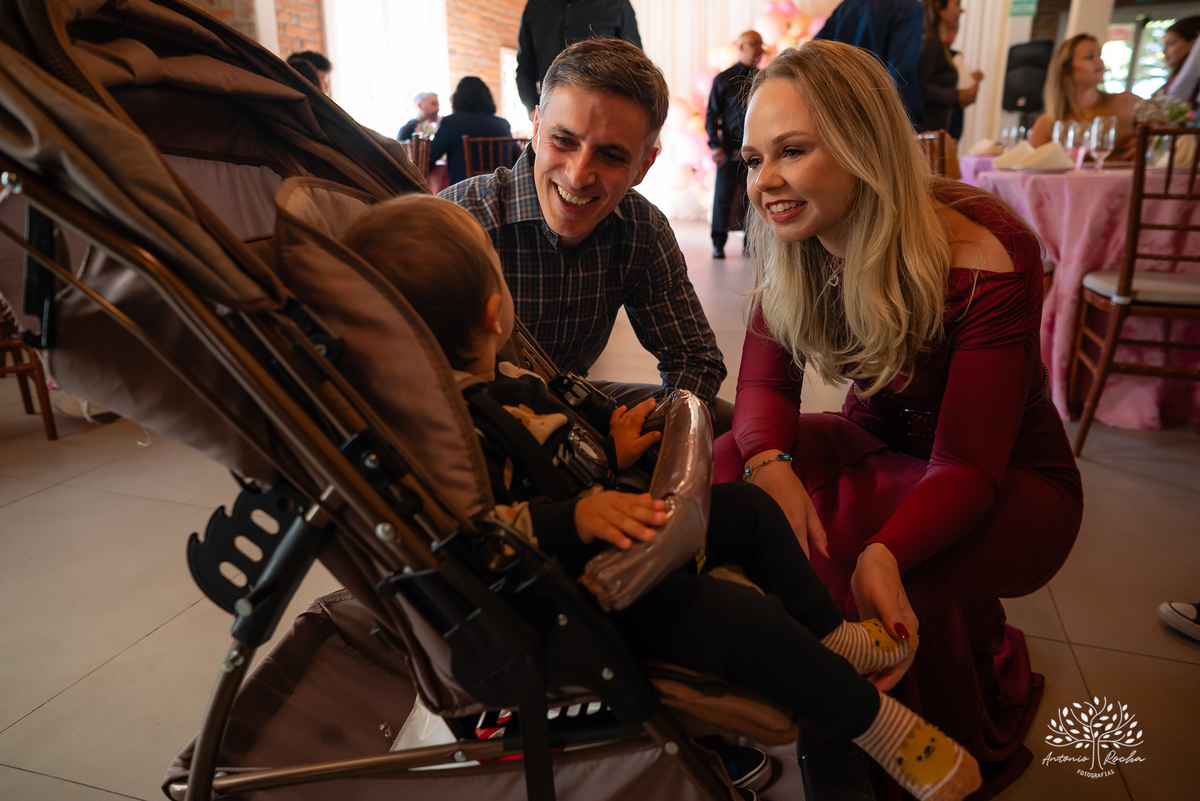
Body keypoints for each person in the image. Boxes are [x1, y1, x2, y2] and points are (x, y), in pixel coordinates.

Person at [341, 191, 984, 801]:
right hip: (574, 599)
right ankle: (878, 727)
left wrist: (608, 453)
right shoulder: (449, 434)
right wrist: (576, 517)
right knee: (737, 616)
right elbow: (482, 535)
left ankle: (831, 634)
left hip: (612, 539)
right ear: (493, 313)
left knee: (751, 510)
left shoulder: (501, 378)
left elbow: (544, 453)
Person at [714, 40, 1083, 796]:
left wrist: (884, 553)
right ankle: (804, 687)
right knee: (727, 467)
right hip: (883, 438)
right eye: (753, 159)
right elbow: (765, 386)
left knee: (870, 567)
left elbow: (967, 464)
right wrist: (767, 462)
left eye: (792, 151)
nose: (764, 180)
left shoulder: (986, 251)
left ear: (864, 146)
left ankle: (883, 749)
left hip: (1008, 475)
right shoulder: (794, 235)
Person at [441, 39, 729, 428]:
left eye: (611, 155)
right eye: (563, 140)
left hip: (568, 407)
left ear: (643, 166)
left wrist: (644, 435)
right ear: (537, 128)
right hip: (466, 421)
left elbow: (695, 359)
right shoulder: (462, 222)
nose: (578, 176)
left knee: (721, 417)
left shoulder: (642, 230)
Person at [515, 0, 642, 119]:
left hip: (604, 116)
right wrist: (532, 110)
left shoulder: (618, 4)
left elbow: (635, 67)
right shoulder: (535, 6)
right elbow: (525, 68)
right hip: (551, 115)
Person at [816, 0, 926, 127]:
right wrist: (915, 125)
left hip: (841, 113)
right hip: (878, 116)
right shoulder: (908, 8)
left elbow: (814, 54)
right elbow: (902, 75)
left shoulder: (847, 6)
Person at [1027, 34, 1137, 159]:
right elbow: (1032, 167)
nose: (1099, 60)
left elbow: (1156, 129)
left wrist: (1148, 140)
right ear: (1066, 69)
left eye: (1099, 54)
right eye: (1089, 57)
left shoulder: (1126, 101)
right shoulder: (1048, 122)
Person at [706, 31, 764, 260]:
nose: (759, 48)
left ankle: (751, 243)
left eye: (761, 44)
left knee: (754, 196)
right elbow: (712, 115)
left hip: (757, 149)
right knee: (724, 196)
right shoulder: (724, 79)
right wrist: (714, 145)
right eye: (754, 43)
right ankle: (718, 243)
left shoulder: (765, 78)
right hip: (729, 149)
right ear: (740, 47)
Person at [917, 0, 983, 140]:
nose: (961, 10)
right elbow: (918, 88)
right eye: (957, 4)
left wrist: (961, 97)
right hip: (927, 136)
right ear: (938, 6)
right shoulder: (930, 42)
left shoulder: (938, 43)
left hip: (935, 134)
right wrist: (957, 95)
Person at [428, 77, 512, 186]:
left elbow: (430, 157)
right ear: (487, 97)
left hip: (464, 192)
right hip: (502, 190)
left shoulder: (451, 122)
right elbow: (515, 159)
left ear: (458, 98)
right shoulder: (503, 124)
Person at [1157, 16, 1200, 106]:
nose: (1164, 51)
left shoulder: (1194, 89)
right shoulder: (1174, 79)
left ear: (1193, 44)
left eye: (1171, 44)